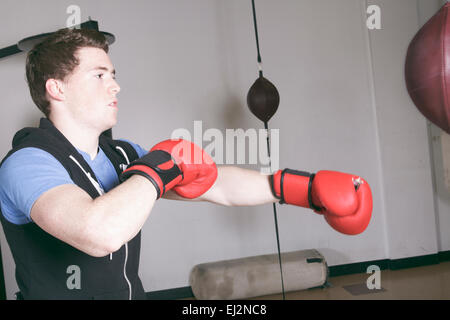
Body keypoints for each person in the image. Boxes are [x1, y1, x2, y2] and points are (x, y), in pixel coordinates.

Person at [0, 28, 373, 300]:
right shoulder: (28, 163)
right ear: (57, 89)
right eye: (99, 76)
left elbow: (217, 184)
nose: (115, 87)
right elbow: (98, 233)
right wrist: (158, 168)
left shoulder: (123, 155)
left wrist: (303, 189)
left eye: (114, 75)